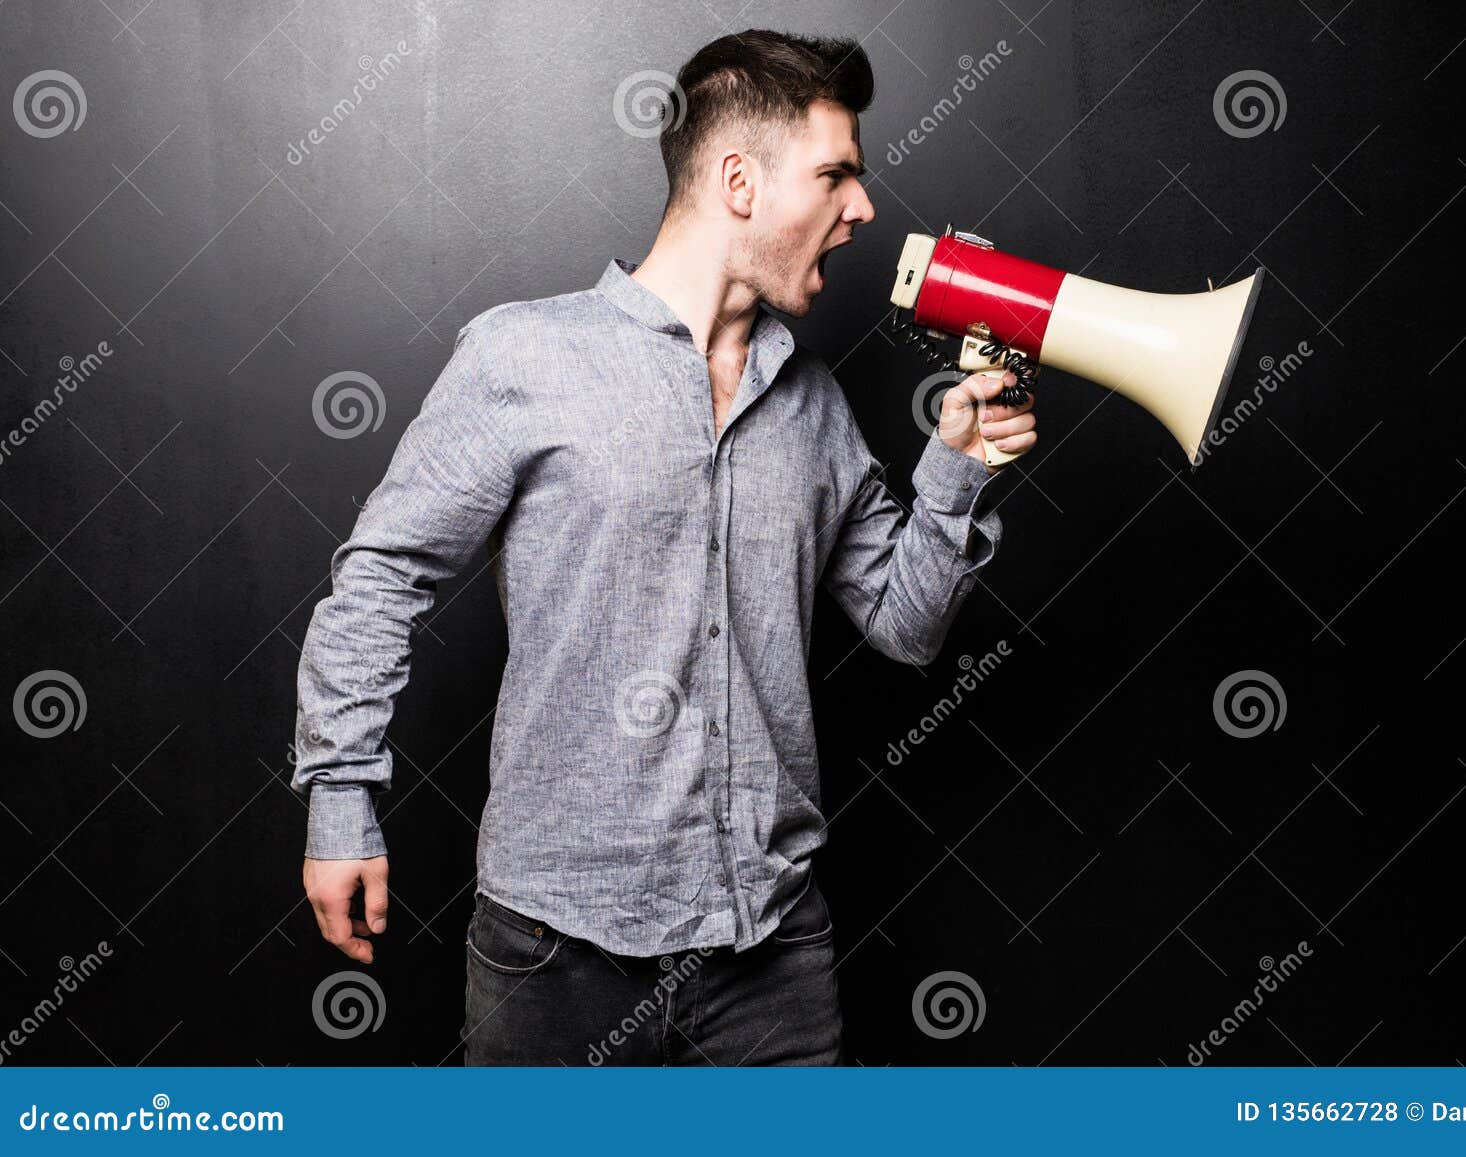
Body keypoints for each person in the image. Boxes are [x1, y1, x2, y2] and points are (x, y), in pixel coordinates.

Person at [293, 28, 1039, 1066]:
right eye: (835, 175)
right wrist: (341, 798)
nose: (862, 209)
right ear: (739, 179)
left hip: (773, 959)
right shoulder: (526, 354)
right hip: (553, 956)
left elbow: (907, 631)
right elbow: (380, 579)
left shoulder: (814, 403)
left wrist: (955, 465)